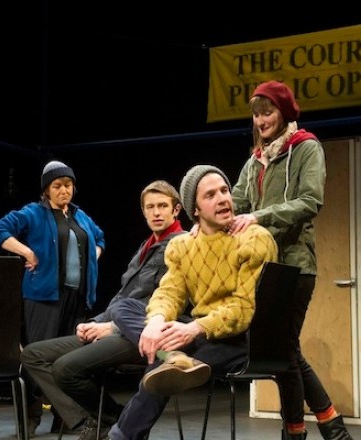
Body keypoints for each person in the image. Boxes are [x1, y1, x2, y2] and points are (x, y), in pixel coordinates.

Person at [105, 164, 278, 440]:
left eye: (224, 191)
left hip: (240, 341)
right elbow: (169, 293)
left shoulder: (254, 239)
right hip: (199, 334)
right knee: (123, 306)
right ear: (194, 210)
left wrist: (193, 329)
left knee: (162, 366)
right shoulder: (182, 246)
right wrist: (155, 322)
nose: (222, 199)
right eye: (210, 195)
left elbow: (244, 310)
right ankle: (172, 354)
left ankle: (123, 432)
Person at [230, 80, 353, 440]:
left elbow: (309, 201)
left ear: (283, 112)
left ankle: (312, 430)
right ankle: (320, 428)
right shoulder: (255, 161)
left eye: (267, 112)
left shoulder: (306, 147)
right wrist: (207, 215)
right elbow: (236, 202)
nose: (261, 120)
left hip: (295, 266)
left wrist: (259, 216)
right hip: (264, 268)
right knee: (283, 352)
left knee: (284, 349)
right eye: (256, 115)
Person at [20, 179, 185, 440]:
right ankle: (107, 418)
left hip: (142, 335)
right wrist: (96, 322)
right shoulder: (146, 246)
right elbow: (123, 296)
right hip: (114, 327)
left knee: (66, 369)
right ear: (143, 211)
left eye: (162, 206)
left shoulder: (182, 245)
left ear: (176, 210)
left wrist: (112, 327)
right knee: (33, 354)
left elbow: (167, 301)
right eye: (150, 207)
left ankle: (101, 421)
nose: (156, 212)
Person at [0, 159, 105, 437]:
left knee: (69, 362)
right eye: (57, 186)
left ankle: (64, 418)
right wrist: (27, 252)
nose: (64, 190)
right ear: (46, 190)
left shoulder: (80, 216)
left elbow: (100, 239)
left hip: (77, 298)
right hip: (44, 298)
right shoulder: (34, 213)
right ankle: (30, 416)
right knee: (36, 358)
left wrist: (92, 259)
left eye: (68, 185)